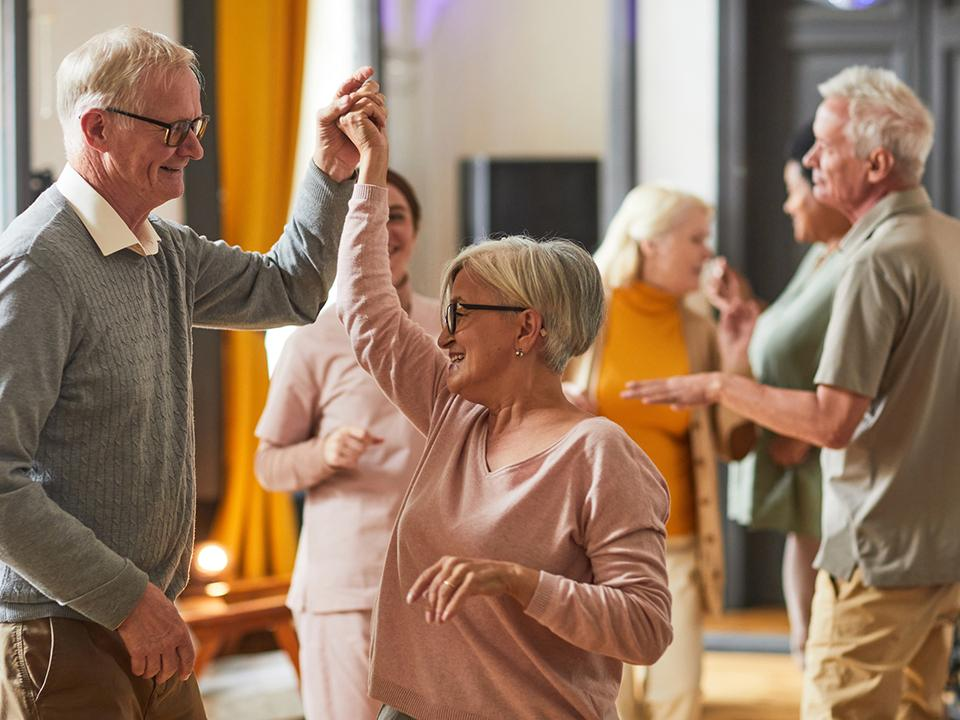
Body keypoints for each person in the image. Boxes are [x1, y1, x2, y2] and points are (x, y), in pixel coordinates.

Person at [0, 26, 383, 719]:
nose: (197, 149)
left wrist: (328, 171)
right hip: (64, 630)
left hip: (144, 615)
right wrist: (125, 601)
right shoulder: (37, 266)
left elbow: (291, 289)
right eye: (176, 128)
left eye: (197, 125)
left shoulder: (165, 250)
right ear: (98, 128)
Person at [624, 65, 960, 719]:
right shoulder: (948, 238)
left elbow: (832, 421)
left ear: (876, 163)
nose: (809, 159)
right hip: (944, 548)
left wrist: (722, 384)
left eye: (826, 146)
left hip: (878, 550)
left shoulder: (874, 259)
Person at [331, 99, 672, 719]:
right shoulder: (453, 411)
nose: (443, 333)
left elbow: (646, 626)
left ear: (527, 327)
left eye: (460, 313)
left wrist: (520, 583)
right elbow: (368, 313)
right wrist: (371, 171)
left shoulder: (598, 453)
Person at [254, 169, 438, 719]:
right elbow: (268, 465)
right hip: (347, 588)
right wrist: (324, 452)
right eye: (370, 214)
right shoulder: (313, 337)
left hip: (440, 585)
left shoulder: (451, 329)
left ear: (416, 231)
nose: (384, 228)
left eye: (397, 215)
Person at [566, 185, 753, 720]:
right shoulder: (583, 314)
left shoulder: (698, 328)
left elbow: (734, 444)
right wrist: (559, 400)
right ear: (650, 242)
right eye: (695, 239)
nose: (707, 254)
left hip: (679, 545)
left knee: (679, 699)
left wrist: (735, 362)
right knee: (604, 701)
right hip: (589, 542)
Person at [720, 123, 851, 668]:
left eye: (794, 187)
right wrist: (751, 312)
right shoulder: (821, 255)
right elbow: (798, 331)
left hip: (828, 454)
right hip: (804, 460)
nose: (787, 203)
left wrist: (812, 435)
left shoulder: (857, 262)